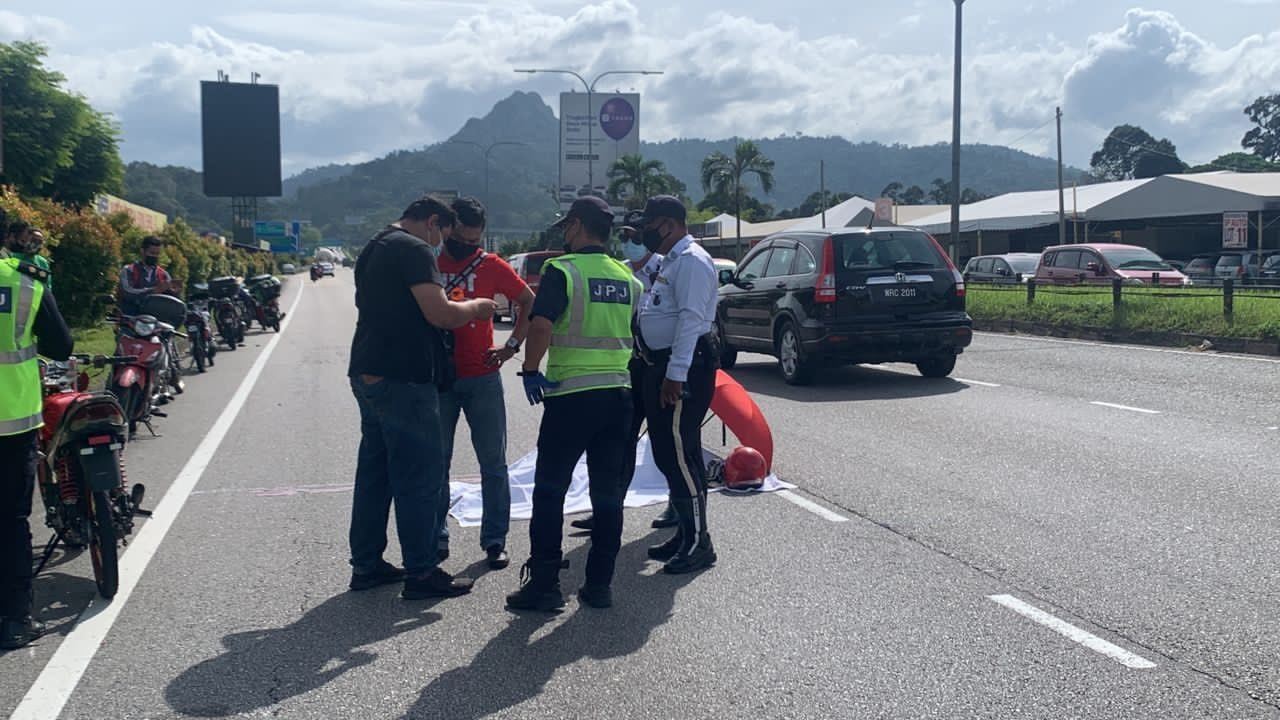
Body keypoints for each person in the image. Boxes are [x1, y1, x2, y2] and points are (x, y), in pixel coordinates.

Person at [347, 195, 497, 601]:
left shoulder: (375, 246)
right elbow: (441, 314)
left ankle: (366, 563)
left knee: (375, 474)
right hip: (404, 377)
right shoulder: (412, 249)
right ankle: (422, 571)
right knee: (420, 476)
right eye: (442, 234)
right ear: (432, 222)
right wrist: (478, 307)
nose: (440, 244)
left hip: (368, 370)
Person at [507, 197, 642, 612]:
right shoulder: (627, 278)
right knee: (607, 494)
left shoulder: (561, 270)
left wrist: (531, 369)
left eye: (567, 226)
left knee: (550, 491)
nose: (564, 233)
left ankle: (545, 586)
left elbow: (542, 322)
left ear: (579, 227)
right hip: (618, 397)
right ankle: (598, 586)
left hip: (570, 398)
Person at [434, 197, 535, 570]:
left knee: (493, 463)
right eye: (461, 237)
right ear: (448, 228)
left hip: (482, 376)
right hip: (438, 377)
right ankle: (435, 537)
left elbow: (527, 300)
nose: (467, 246)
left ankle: (495, 540)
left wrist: (511, 347)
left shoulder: (491, 265)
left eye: (474, 240)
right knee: (436, 463)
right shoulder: (430, 261)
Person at [570, 214, 676, 533]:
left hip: (659, 364)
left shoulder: (666, 267)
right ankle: (608, 508)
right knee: (622, 442)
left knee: (665, 440)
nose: (629, 241)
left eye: (635, 234)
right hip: (629, 365)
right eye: (625, 235)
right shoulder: (620, 270)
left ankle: (678, 504)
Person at [635, 196, 721, 575]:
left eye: (649, 224)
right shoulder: (672, 260)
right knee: (669, 454)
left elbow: (690, 321)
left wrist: (676, 374)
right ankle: (686, 534)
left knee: (680, 456)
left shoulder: (691, 261)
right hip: (664, 364)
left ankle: (700, 542)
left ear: (667, 224)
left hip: (683, 366)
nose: (645, 232)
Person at [0, 231, 74, 650]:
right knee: (10, 521)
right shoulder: (25, 281)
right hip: (12, 423)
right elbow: (61, 344)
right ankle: (14, 619)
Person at [118, 236, 175, 316]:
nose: (155, 256)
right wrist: (153, 291)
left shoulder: (164, 275)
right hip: (130, 318)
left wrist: (173, 292)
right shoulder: (129, 270)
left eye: (157, 254)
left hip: (155, 320)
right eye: (152, 253)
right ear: (142, 251)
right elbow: (128, 292)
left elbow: (169, 301)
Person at [3, 223, 52, 292]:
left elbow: (48, 287)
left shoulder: (43, 262)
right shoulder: (12, 257)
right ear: (26, 240)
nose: (36, 244)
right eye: (34, 240)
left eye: (40, 242)